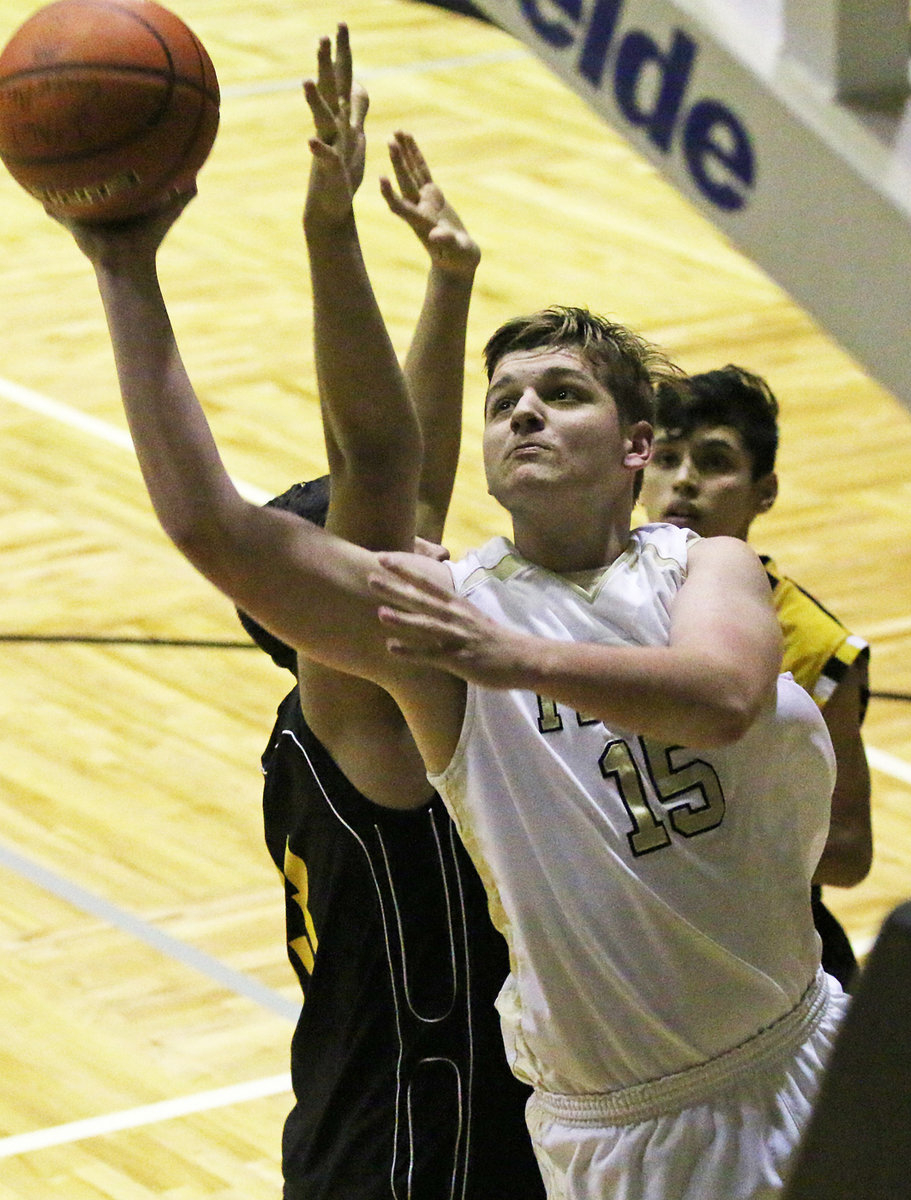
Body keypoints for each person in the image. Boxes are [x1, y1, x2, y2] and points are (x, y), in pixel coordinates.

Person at [54, 24, 847, 1199]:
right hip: (611, 1128)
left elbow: (728, 698)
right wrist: (123, 267)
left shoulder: (699, 569)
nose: (524, 412)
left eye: (562, 394)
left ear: (638, 447)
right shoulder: (441, 628)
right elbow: (239, 519)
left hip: (806, 1052)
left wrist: (506, 652)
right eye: (504, 399)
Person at [236, 35, 544, 1197]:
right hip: (420, 1153)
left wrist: (451, 279)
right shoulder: (364, 708)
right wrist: (330, 235)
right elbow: (378, 461)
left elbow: (401, 484)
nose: (433, 540)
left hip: (392, 1126)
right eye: (388, 553)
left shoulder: (359, 699)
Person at [639, 365, 872, 988]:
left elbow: (848, 851)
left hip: (764, 948)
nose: (684, 480)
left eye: (714, 461)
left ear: (763, 492)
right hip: (627, 936)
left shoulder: (815, 644)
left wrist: (703, 842)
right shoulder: (576, 600)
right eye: (666, 457)